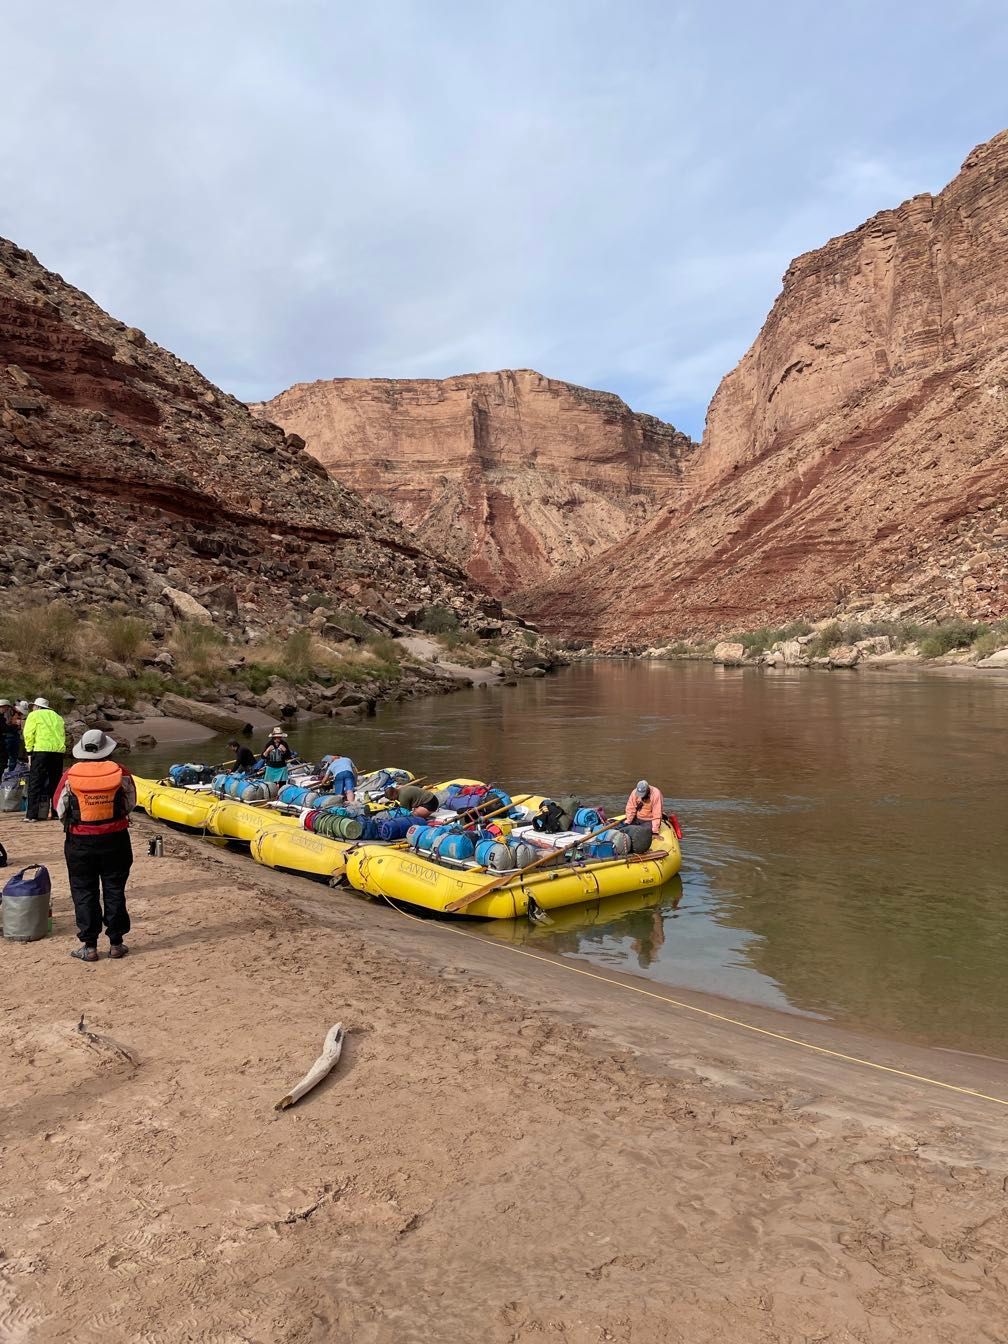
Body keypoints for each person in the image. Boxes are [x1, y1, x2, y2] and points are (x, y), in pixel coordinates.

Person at [54, 729, 136, 963]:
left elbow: (59, 808)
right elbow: (131, 803)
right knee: (114, 889)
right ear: (107, 750)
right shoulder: (122, 773)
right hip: (116, 839)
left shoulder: (69, 775)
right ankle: (116, 944)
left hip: (79, 841)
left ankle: (89, 947)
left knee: (83, 891)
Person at [22, 697, 66, 822]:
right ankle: (56, 812)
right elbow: (62, 734)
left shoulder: (34, 715)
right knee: (56, 783)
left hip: (41, 750)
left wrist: (29, 751)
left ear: (37, 707)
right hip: (57, 752)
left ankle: (32, 815)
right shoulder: (58, 717)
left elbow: (29, 733)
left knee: (36, 782)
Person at [0, 700, 20, 771]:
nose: (7, 710)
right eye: (6, 708)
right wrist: (15, 726)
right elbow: (4, 728)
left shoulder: (2, 716)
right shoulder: (2, 717)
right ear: (3, 707)